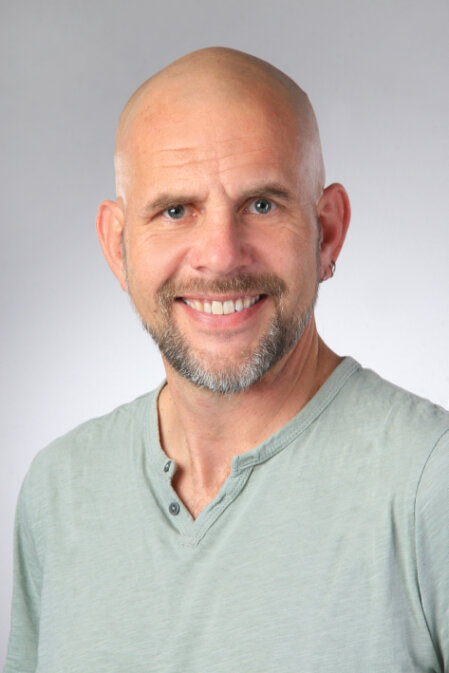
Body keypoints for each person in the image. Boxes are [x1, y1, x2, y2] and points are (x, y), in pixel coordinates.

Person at [4, 47, 449, 673]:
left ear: (327, 232)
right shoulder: (60, 490)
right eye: (175, 211)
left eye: (262, 205)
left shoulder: (430, 485)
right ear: (118, 245)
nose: (220, 255)